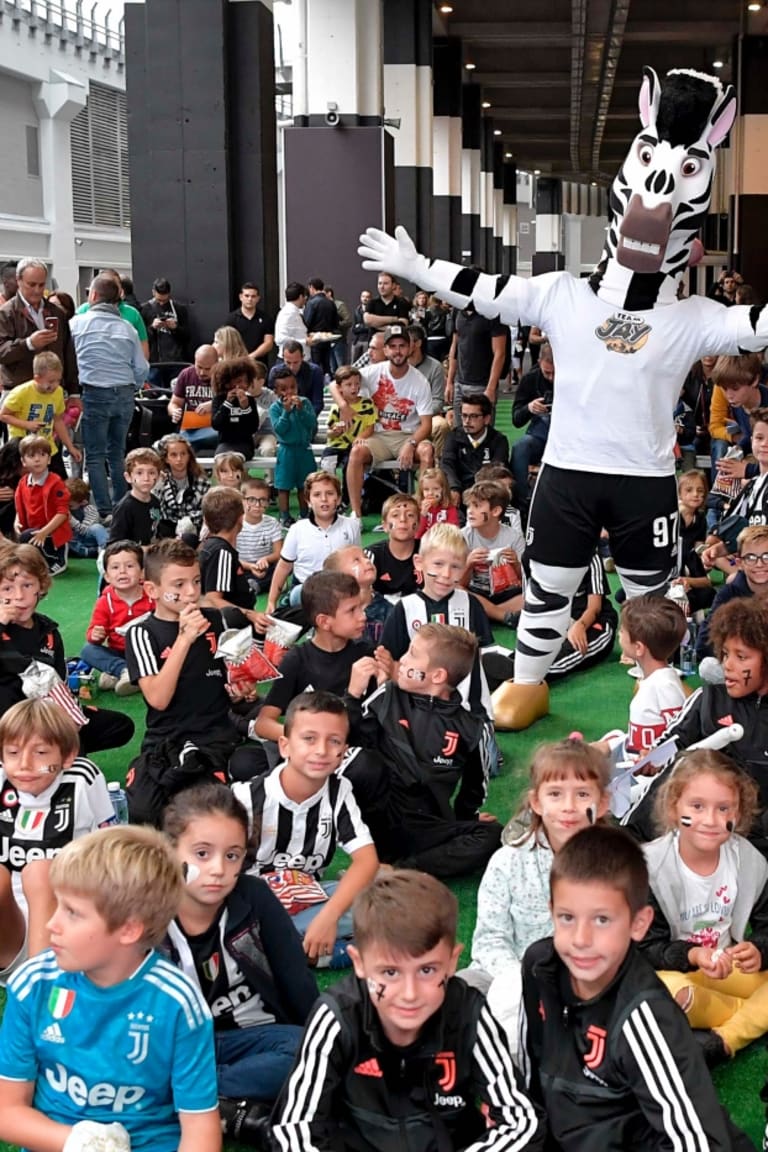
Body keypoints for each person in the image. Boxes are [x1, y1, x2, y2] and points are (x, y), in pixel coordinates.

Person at [358, 68, 767, 734]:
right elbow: (487, 289)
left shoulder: (694, 314)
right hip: (569, 474)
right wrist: (415, 269)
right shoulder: (563, 294)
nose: (657, 193)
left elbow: (758, 323)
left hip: (645, 480)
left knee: (654, 599)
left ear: (692, 238)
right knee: (548, 584)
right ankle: (526, 682)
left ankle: (659, 688)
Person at [272, 868, 543, 1152]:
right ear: (359, 963)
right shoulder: (337, 1015)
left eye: (427, 970)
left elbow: (522, 1121)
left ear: (452, 962)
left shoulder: (468, 1012)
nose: (410, 993)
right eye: (390, 972)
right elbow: (292, 1132)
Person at [519, 825, 752, 1152]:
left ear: (638, 924)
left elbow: (698, 1143)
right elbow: (533, 1080)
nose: (581, 940)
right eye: (567, 917)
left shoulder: (645, 1016)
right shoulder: (539, 966)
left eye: (602, 920)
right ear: (551, 912)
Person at [0, 825, 221, 1152]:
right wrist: (80, 1142)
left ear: (129, 929)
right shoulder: (32, 985)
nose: (51, 924)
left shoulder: (177, 1004)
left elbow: (200, 1129)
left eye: (72, 912)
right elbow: (7, 1111)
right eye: (58, 905)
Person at [162, 783, 317, 1137]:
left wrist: (322, 1044)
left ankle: (198, 1100)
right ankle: (230, 1107)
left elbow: (296, 978)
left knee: (305, 1049)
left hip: (255, 1039)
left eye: (232, 856)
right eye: (202, 853)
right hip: (178, 1049)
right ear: (171, 851)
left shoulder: (254, 896)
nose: (218, 869)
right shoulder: (148, 911)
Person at [466, 739, 610, 1055]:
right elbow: (489, 940)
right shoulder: (508, 861)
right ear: (536, 802)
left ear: (603, 803)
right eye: (555, 794)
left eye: (582, 794)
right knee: (452, 997)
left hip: (578, 985)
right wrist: (519, 983)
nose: (569, 806)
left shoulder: (613, 868)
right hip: (504, 979)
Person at [640, 750, 768, 1067]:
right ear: (674, 808)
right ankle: (750, 1016)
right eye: (697, 807)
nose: (710, 820)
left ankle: (722, 1041)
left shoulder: (750, 861)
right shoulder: (648, 868)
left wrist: (760, 949)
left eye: (723, 808)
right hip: (671, 972)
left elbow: (767, 926)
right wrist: (693, 955)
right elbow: (645, 947)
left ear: (738, 814)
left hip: (728, 968)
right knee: (665, 995)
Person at [234, 691, 379, 968]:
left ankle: (298, 951)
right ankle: (330, 953)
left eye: (333, 741)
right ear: (285, 746)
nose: (322, 750)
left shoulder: (339, 792)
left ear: (343, 752)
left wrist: (328, 917)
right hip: (252, 907)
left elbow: (366, 860)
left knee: (384, 902)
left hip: (308, 901)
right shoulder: (245, 798)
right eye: (309, 739)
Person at [344, 623, 502, 877]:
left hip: (425, 825)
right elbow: (346, 741)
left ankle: (400, 870)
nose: (402, 660)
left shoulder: (471, 728)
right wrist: (352, 695)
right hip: (376, 817)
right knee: (361, 761)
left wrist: (466, 819)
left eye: (412, 654)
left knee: (493, 834)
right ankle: (366, 853)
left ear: (437, 676)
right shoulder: (386, 696)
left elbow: (475, 786)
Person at [625, 599, 768, 844]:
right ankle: (629, 842)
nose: (728, 665)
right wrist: (654, 756)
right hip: (694, 821)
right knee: (682, 766)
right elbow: (675, 738)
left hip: (753, 836)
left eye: (741, 656)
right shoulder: (709, 699)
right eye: (724, 654)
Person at [124, 539, 241, 826]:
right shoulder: (142, 633)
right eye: (178, 585)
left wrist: (240, 688)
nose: (191, 592)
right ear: (152, 590)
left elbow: (233, 676)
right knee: (143, 812)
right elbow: (158, 699)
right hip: (164, 741)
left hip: (214, 737)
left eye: (197, 581)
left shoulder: (215, 619)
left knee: (207, 813)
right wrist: (185, 638)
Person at [0, 698, 114, 976]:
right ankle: (23, 972)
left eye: (40, 753)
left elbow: (114, 853)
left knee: (41, 872)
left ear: (67, 755)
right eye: (13, 753)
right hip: (12, 936)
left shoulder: (83, 778)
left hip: (69, 927)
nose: (25, 765)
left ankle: (43, 984)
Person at [0, 544, 134, 755]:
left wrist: (69, 716)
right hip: (10, 722)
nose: (18, 596)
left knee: (120, 725)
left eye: (27, 585)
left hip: (46, 715)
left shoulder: (48, 631)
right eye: (7, 588)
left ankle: (54, 751)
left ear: (40, 586)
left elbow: (58, 683)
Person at [254, 570, 383, 748]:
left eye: (360, 607)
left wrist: (389, 674)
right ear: (324, 622)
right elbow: (264, 724)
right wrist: (308, 738)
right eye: (352, 610)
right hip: (314, 758)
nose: (363, 616)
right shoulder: (297, 660)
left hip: (353, 750)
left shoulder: (367, 653)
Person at [381, 524, 494, 718]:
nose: (446, 575)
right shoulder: (405, 608)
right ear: (419, 562)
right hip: (417, 709)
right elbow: (389, 661)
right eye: (438, 564)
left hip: (469, 708)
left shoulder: (471, 604)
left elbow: (482, 653)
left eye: (456, 567)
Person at [333, 324, 434, 520]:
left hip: (408, 434)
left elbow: (426, 425)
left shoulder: (420, 381)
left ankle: (423, 511)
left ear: (410, 347)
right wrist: (343, 406)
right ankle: (357, 514)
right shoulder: (371, 372)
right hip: (378, 435)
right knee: (356, 452)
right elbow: (333, 383)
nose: (398, 351)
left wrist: (411, 443)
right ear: (385, 350)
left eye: (402, 345)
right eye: (393, 346)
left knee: (427, 452)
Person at [69, 275, 149, 518]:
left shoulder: (76, 324)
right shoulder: (128, 328)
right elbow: (142, 367)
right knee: (118, 452)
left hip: (93, 392)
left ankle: (104, 510)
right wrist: (131, 386)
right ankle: (123, 504)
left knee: (95, 455)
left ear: (92, 296)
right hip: (124, 393)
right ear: (119, 299)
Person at [266, 472, 361, 613]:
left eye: (329, 493)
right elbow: (284, 567)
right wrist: (271, 601)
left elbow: (357, 562)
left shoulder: (351, 526)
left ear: (339, 498)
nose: (324, 499)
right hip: (305, 590)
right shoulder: (297, 529)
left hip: (340, 589)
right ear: (309, 501)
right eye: (317, 495)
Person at [81, 540, 152, 695]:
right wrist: (95, 635)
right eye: (115, 567)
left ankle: (122, 674)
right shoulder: (104, 602)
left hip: (149, 650)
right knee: (88, 650)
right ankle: (124, 671)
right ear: (106, 576)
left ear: (141, 572)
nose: (122, 571)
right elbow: (93, 633)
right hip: (120, 652)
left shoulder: (152, 595)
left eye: (130, 566)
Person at [0, 258, 79, 396]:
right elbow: (2, 352)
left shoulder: (57, 312)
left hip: (53, 391)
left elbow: (68, 353)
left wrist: (74, 393)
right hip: (19, 391)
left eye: (41, 285)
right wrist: (29, 344)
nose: (37, 290)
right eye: (31, 284)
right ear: (19, 281)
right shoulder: (6, 313)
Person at [0, 350, 81, 479]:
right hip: (24, 448)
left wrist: (70, 447)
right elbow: (3, 415)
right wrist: (27, 424)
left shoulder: (58, 392)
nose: (54, 385)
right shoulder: (21, 392)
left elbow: (58, 420)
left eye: (58, 381)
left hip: (48, 447)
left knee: (60, 483)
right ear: (37, 378)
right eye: (50, 381)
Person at [696, 524, 768, 663]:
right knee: (708, 666)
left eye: (766, 556)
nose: (759, 564)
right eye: (751, 558)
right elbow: (704, 643)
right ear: (740, 563)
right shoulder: (729, 594)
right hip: (741, 664)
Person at [461, 479, 525, 626]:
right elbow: (459, 583)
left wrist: (516, 564)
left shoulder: (513, 536)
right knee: (457, 590)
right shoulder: (463, 536)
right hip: (477, 592)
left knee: (531, 595)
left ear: (496, 511)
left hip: (506, 594)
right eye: (469, 505)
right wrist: (469, 564)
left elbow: (525, 582)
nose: (470, 511)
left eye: (476, 506)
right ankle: (503, 616)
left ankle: (484, 614)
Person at [510, 343, 555, 522]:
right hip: (541, 434)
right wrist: (529, 408)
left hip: (569, 435)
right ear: (539, 363)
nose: (551, 378)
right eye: (547, 373)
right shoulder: (530, 379)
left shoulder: (574, 377)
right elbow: (516, 419)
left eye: (555, 373)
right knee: (521, 447)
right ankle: (523, 502)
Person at [14, 434, 72, 574]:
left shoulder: (56, 482)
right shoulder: (23, 483)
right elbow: (19, 506)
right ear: (23, 461)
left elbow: (62, 512)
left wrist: (44, 532)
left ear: (49, 459)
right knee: (26, 537)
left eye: (42, 454)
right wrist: (17, 521)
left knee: (40, 539)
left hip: (52, 532)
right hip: (34, 530)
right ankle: (38, 560)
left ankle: (58, 559)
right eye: (31, 455)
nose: (37, 459)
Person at [442, 392, 510, 507]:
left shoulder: (499, 441)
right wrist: (454, 488)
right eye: (464, 415)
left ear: (487, 419)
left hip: (486, 496)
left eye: (473, 416)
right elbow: (447, 465)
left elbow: (497, 472)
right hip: (458, 494)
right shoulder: (453, 437)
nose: (467, 421)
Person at [198, 486, 257, 617]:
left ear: (206, 521)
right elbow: (213, 599)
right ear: (241, 519)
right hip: (234, 626)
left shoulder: (212, 546)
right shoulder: (221, 552)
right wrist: (251, 615)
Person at [269, 368, 317, 527]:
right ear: (276, 391)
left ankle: (305, 514)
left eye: (292, 387)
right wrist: (286, 412)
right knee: (284, 485)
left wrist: (301, 410)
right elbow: (280, 429)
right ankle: (284, 516)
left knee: (305, 484)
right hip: (286, 450)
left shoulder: (305, 403)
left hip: (304, 449)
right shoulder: (275, 408)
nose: (289, 392)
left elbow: (311, 423)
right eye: (283, 389)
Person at [445, 297, 509, 416]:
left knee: (482, 431)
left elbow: (500, 353)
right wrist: (450, 382)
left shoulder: (492, 312)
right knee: (459, 430)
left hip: (482, 384)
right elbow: (455, 346)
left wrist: (490, 388)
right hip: (460, 382)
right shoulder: (457, 309)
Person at [323, 545, 391, 645]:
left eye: (366, 557)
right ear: (337, 575)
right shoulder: (330, 612)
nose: (367, 561)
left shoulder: (389, 611)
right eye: (356, 560)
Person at [322, 366, 376, 489]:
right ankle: (331, 490)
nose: (354, 388)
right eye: (349, 384)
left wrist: (361, 437)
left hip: (353, 446)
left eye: (357, 384)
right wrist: (335, 431)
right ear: (340, 387)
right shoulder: (337, 408)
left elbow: (370, 427)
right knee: (327, 464)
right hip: (335, 445)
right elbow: (329, 432)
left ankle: (347, 497)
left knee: (350, 465)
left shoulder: (366, 404)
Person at [671, 468, 715, 614]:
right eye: (689, 490)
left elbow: (705, 579)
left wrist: (688, 580)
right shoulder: (671, 517)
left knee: (708, 595)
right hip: (667, 570)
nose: (695, 494)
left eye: (700, 490)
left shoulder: (700, 519)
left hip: (687, 570)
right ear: (679, 494)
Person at [154, 433, 210, 543]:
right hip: (166, 531)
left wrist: (189, 521)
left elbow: (206, 510)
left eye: (183, 454)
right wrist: (158, 486)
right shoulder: (161, 481)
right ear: (166, 458)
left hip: (193, 531)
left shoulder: (201, 481)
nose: (179, 459)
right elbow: (155, 509)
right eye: (174, 455)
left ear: (189, 456)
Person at [365, 492, 420, 600]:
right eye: (395, 515)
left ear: (418, 525)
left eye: (410, 515)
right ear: (384, 525)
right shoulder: (371, 556)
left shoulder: (428, 552)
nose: (403, 519)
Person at [168, 343, 219, 453]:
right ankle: (182, 442)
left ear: (217, 364)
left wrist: (213, 404)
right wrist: (175, 411)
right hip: (191, 426)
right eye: (199, 367)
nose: (202, 372)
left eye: (207, 369)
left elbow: (233, 403)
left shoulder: (224, 376)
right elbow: (174, 402)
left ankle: (181, 442)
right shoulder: (186, 374)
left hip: (215, 426)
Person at [236, 476, 283, 596]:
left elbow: (279, 553)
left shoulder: (272, 523)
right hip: (242, 566)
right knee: (230, 569)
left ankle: (256, 585)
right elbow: (230, 556)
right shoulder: (235, 523)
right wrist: (249, 566)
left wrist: (266, 559)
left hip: (265, 568)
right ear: (242, 500)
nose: (257, 505)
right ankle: (261, 584)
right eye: (251, 500)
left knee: (285, 564)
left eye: (263, 500)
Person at [407, 322, 449, 458]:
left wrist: (420, 412)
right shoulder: (398, 364)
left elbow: (438, 401)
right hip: (402, 416)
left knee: (441, 425)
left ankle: (437, 470)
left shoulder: (435, 366)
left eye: (405, 342)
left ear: (418, 343)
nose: (401, 347)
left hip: (427, 415)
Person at [108, 446, 162, 548]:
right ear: (128, 477)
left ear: (158, 476)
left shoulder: (155, 502)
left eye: (151, 473)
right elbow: (114, 543)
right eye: (139, 473)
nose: (146, 478)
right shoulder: (125, 507)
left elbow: (154, 531)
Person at [211, 356, 260, 459]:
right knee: (221, 459)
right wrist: (227, 403)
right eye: (238, 381)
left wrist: (245, 408)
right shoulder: (219, 400)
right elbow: (216, 424)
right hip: (225, 443)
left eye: (245, 381)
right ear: (227, 382)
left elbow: (253, 427)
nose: (242, 385)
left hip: (244, 444)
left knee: (234, 459)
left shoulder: (250, 400)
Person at [141, 277, 190, 369]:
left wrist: (175, 328)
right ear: (153, 292)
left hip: (176, 361)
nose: (162, 303)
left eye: (165, 300)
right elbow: (141, 338)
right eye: (159, 301)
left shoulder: (179, 309)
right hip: (154, 361)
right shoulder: (145, 309)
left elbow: (187, 336)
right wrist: (152, 327)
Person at [267, 339, 325, 416]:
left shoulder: (315, 371)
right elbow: (271, 400)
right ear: (283, 358)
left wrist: (306, 417)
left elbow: (317, 402)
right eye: (288, 362)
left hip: (306, 416)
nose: (292, 367)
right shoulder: (275, 372)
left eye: (296, 362)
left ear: (303, 357)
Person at [226, 282, 275, 365]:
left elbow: (269, 343)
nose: (250, 299)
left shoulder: (266, 318)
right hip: (237, 364)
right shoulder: (231, 319)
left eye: (253, 296)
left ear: (258, 298)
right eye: (247, 296)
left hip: (259, 364)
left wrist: (251, 357)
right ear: (240, 297)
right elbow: (225, 341)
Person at [303, 277, 339, 378]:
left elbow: (307, 322)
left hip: (314, 339)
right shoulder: (331, 303)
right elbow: (336, 323)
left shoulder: (312, 303)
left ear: (311, 287)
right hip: (328, 339)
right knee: (327, 366)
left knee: (315, 366)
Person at [66, 478, 108, 559]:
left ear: (83, 502)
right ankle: (89, 552)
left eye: (70, 506)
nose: (68, 508)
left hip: (87, 539)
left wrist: (71, 520)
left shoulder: (90, 510)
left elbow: (84, 531)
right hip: (74, 542)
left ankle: (106, 551)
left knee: (97, 528)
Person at [415, 466, 459, 538]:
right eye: (426, 489)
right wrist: (423, 515)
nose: (430, 493)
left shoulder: (450, 509)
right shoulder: (418, 508)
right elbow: (416, 535)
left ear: (443, 490)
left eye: (436, 489)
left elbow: (453, 533)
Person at [274, 281, 309, 357]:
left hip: (298, 358)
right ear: (300, 297)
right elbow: (280, 339)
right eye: (304, 296)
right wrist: (305, 341)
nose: (305, 299)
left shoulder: (294, 311)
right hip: (291, 360)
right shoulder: (288, 313)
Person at [350, 288, 373, 361]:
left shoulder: (373, 311)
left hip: (367, 340)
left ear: (370, 298)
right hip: (357, 341)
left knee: (367, 362)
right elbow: (353, 328)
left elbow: (371, 327)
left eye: (367, 297)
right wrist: (364, 327)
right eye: (363, 296)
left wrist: (360, 326)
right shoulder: (357, 311)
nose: (365, 299)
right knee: (354, 363)